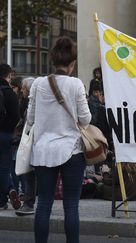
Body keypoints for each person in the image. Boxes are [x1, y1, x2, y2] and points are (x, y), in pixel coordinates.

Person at [26, 37, 91, 243]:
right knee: (71, 205)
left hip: (43, 150)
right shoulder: (76, 84)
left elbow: (30, 118)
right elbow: (86, 119)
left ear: (53, 61)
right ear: (72, 64)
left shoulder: (38, 83)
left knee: (43, 203)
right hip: (71, 150)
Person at [15, 77, 38, 216]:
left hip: (32, 141)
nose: (21, 91)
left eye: (23, 88)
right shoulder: (27, 102)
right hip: (32, 141)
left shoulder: (30, 104)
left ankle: (29, 203)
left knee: (30, 173)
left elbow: (28, 121)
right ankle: (30, 202)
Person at [0, 63, 21, 211]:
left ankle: (2, 201)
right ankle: (10, 189)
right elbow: (16, 116)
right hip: (5, 134)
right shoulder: (10, 93)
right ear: (8, 76)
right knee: (4, 168)